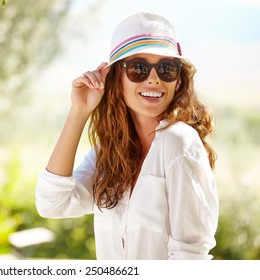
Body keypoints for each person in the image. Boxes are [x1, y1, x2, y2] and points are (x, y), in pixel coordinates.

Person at [35, 12, 219, 260]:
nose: (154, 79)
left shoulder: (179, 142)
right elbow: (52, 204)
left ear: (178, 81)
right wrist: (79, 112)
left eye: (167, 69)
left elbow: (189, 257)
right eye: (138, 68)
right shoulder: (110, 150)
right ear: (116, 78)